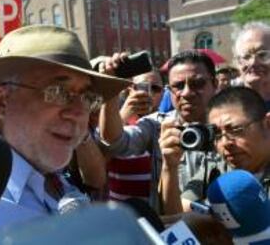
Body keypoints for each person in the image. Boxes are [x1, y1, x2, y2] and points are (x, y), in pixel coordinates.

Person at [0, 25, 130, 231]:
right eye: (59, 92)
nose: (80, 113)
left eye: (88, 97)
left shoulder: (53, 179)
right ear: (1, 102)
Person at [98, 50, 218, 212]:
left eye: (198, 84)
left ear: (215, 84)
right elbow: (114, 141)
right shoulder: (157, 124)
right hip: (172, 231)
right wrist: (110, 86)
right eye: (178, 86)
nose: (187, 93)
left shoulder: (233, 126)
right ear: (169, 90)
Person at [161, 86, 270, 214]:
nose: (225, 143)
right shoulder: (215, 168)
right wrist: (169, 167)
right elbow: (176, 220)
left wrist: (211, 222)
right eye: (217, 134)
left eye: (235, 130)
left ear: (267, 124)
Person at [107, 70, 164, 201]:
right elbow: (103, 152)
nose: (149, 93)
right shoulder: (112, 122)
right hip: (124, 214)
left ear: (163, 91)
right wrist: (123, 116)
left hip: (158, 213)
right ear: (130, 90)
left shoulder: (169, 122)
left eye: (155, 88)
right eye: (142, 87)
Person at [234, 21, 270, 109]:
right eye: (246, 56)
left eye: (262, 55)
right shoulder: (227, 107)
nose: (253, 62)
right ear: (238, 63)